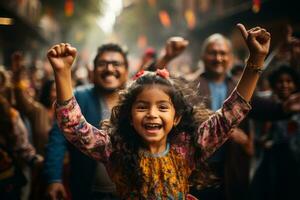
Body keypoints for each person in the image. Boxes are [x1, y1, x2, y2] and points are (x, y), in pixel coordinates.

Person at [47, 24, 270, 199]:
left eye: (163, 107)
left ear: (177, 118)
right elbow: (74, 127)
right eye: (142, 107)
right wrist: (62, 73)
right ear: (129, 117)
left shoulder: (188, 148)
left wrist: (256, 60)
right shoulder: (114, 149)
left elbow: (230, 115)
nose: (152, 114)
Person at [44, 43, 128, 200]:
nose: (109, 69)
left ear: (127, 71)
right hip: (85, 191)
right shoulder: (76, 98)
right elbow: (58, 140)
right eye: (102, 64)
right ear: (93, 71)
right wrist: (54, 179)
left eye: (116, 64)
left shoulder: (135, 102)